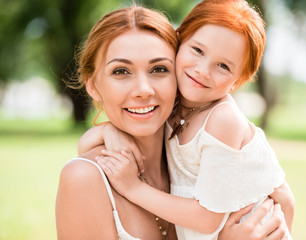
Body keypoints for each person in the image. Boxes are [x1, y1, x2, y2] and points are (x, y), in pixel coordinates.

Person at [56, 4, 289, 240]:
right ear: (93, 85)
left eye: (159, 68)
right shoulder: (83, 178)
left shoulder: (201, 145)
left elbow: (284, 202)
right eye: (121, 71)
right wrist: (105, 131)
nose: (143, 90)